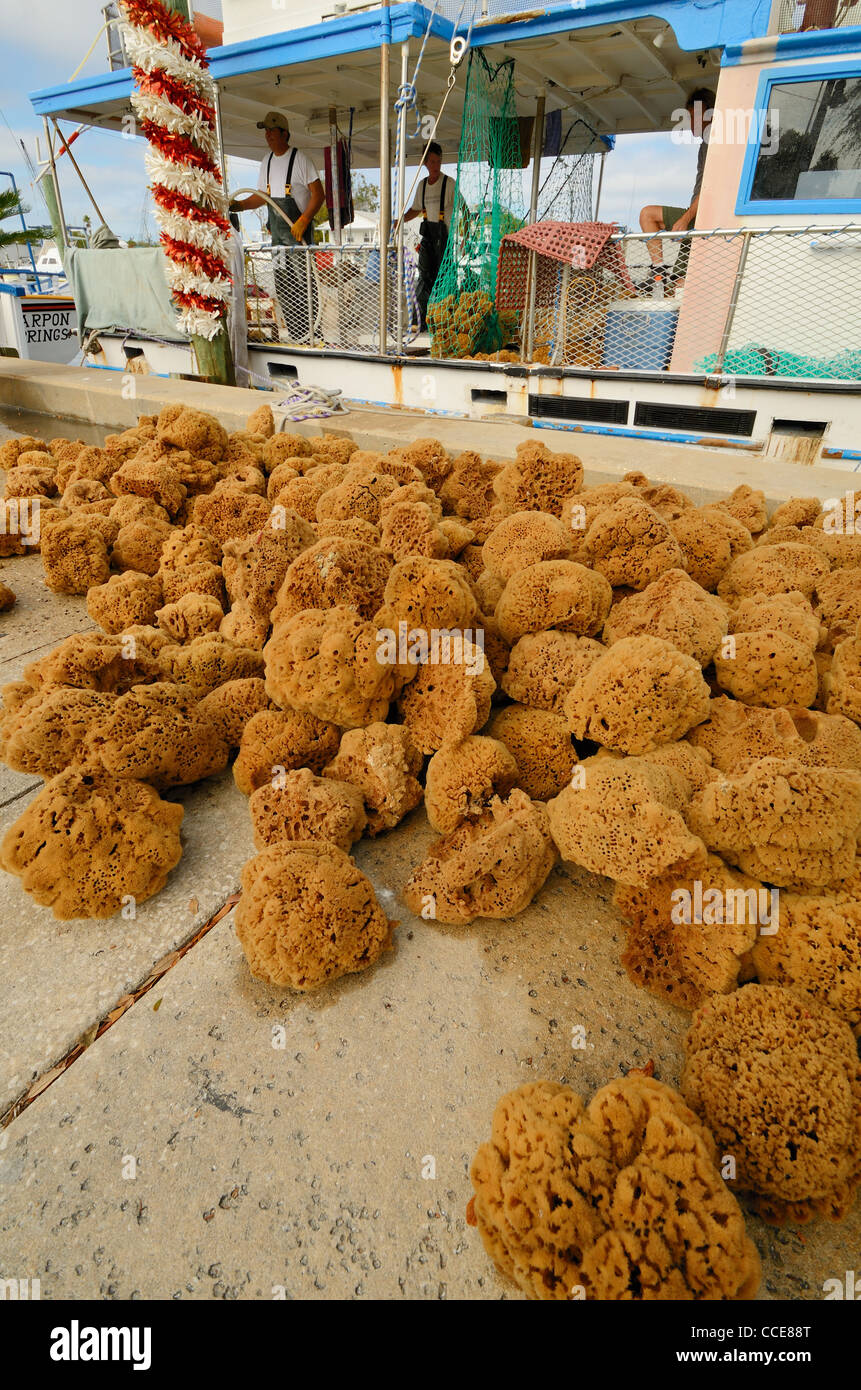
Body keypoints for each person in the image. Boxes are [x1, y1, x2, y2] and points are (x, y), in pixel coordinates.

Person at [230, 112, 325, 341]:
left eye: (272, 131)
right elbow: (263, 196)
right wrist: (238, 205)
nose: (268, 135)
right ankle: (296, 335)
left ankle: (313, 337)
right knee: (284, 286)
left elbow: (318, 194)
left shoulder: (300, 159)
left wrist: (303, 220)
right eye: (266, 131)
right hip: (278, 241)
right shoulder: (267, 161)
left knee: (305, 286)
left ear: (284, 133)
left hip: (298, 237)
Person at [638, 88, 715, 293]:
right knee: (648, 214)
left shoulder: (715, 141)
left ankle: (669, 283)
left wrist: (685, 218)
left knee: (680, 288)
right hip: (695, 217)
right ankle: (659, 271)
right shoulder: (705, 143)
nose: (690, 123)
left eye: (694, 116)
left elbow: (710, 188)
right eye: (689, 117)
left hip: (704, 222)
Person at [405, 142, 455, 331]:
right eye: (432, 161)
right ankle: (418, 322)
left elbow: (463, 209)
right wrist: (399, 220)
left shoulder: (449, 183)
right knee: (423, 279)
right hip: (428, 239)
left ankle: (443, 321)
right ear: (425, 163)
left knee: (444, 279)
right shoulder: (422, 186)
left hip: (445, 239)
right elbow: (415, 209)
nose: (436, 165)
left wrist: (465, 237)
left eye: (438, 161)